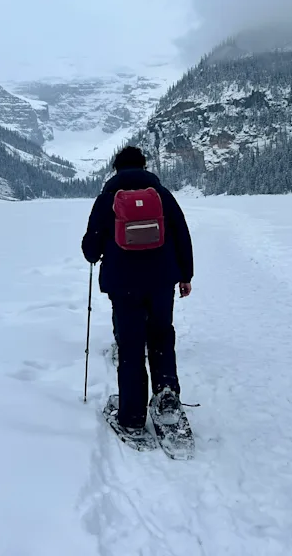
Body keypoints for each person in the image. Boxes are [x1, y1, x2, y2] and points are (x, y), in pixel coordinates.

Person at [81, 146, 194, 435]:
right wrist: (185, 276)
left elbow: (91, 250)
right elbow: (182, 235)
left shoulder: (107, 199)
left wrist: (97, 250)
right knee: (161, 335)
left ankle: (132, 417)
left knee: (131, 346)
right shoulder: (163, 196)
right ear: (144, 166)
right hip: (161, 281)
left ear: (116, 169)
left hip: (124, 284)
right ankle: (167, 394)